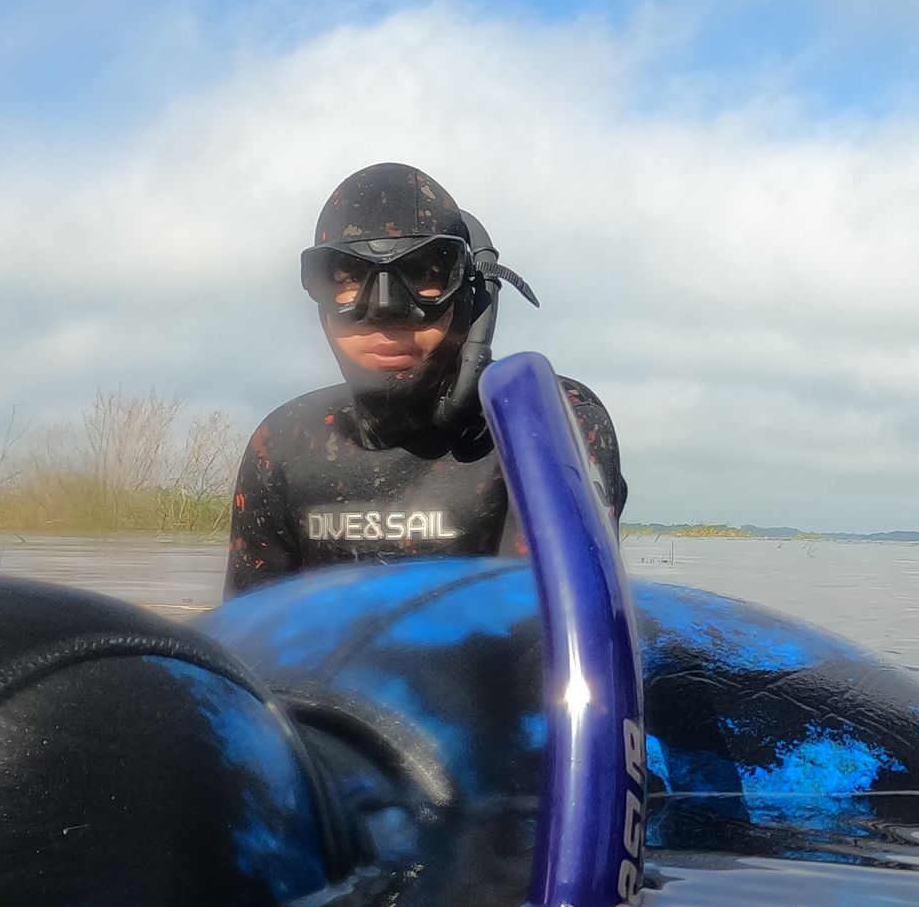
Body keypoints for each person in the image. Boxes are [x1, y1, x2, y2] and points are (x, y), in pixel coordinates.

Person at [224, 163, 626, 595]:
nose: (385, 309)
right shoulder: (284, 444)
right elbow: (245, 632)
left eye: (425, 274)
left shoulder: (544, 424)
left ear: (472, 297)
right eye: (347, 277)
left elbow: (554, 626)